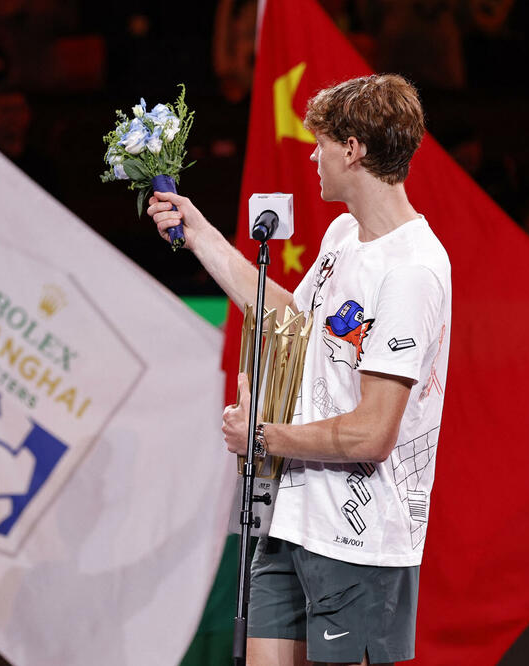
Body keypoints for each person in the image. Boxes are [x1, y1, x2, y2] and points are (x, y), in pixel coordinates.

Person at [147, 75, 450, 665]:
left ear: (354, 149)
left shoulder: (411, 270)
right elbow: (289, 320)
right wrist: (199, 233)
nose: (313, 155)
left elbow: (373, 432)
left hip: (359, 542)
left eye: (322, 142)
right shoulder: (344, 235)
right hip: (293, 517)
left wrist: (262, 437)